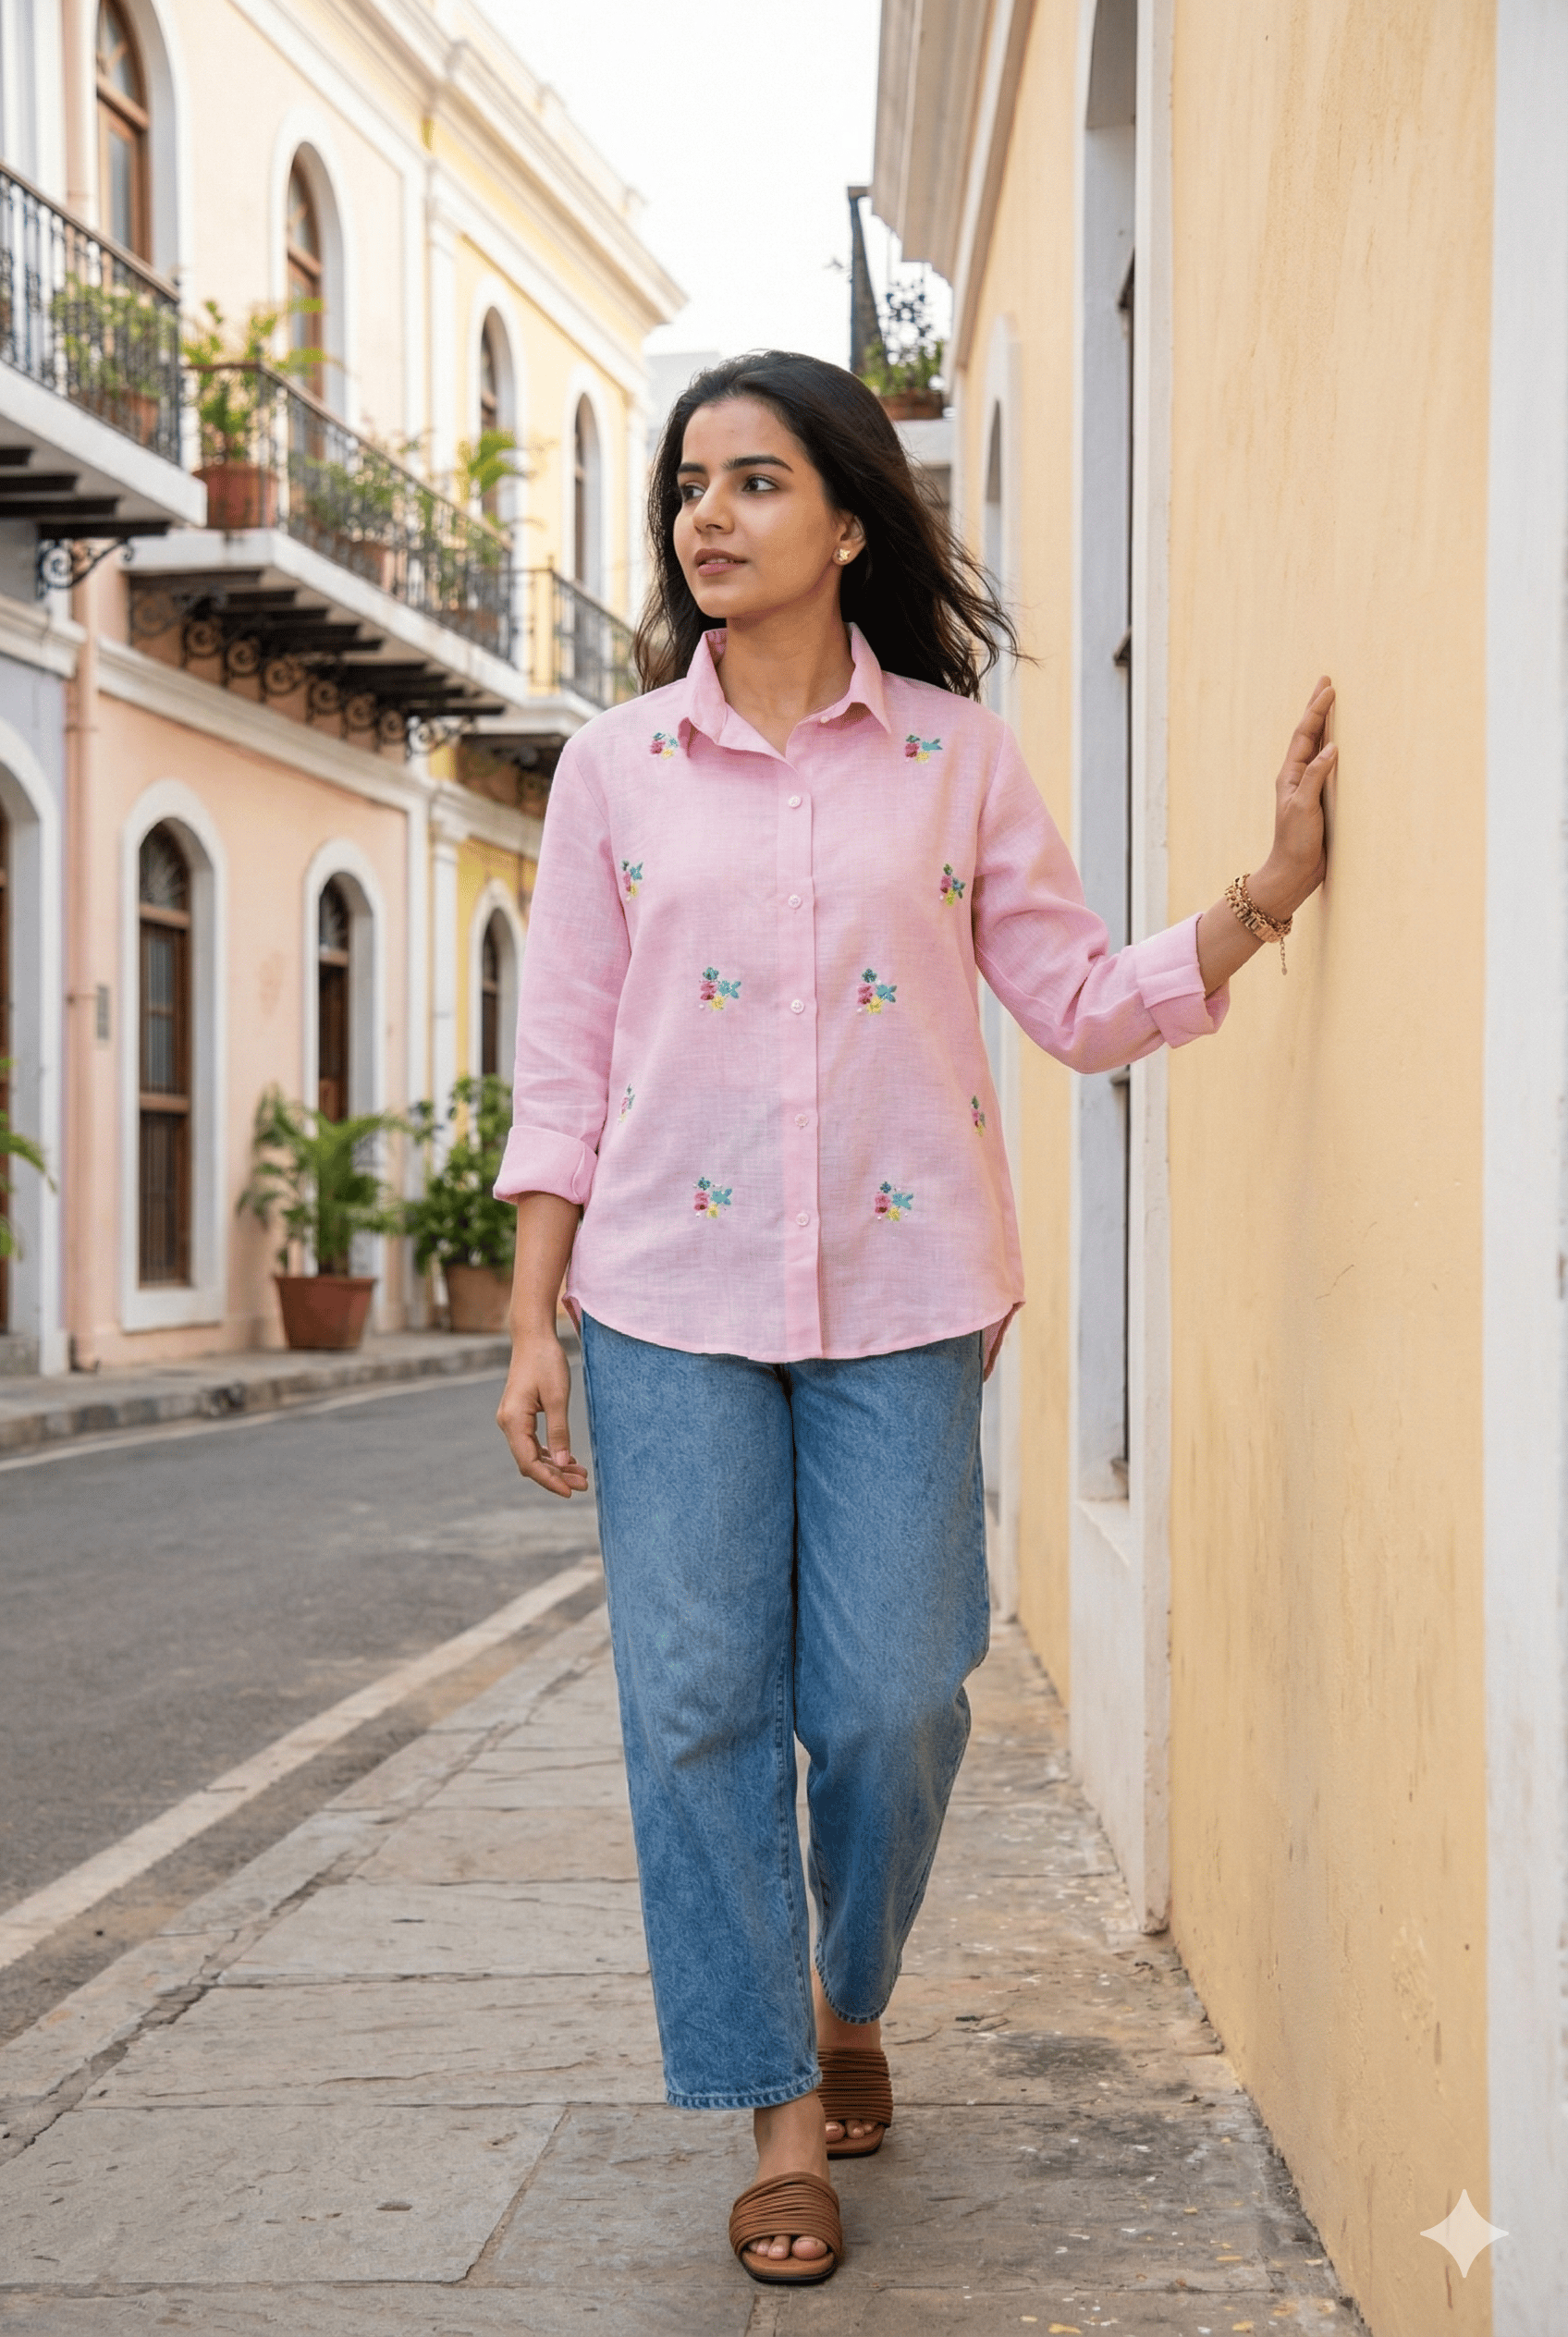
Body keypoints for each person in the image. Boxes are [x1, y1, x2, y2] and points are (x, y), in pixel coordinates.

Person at [494, 350, 1333, 2287]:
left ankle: (846, 1979)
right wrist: (535, 1316)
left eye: (756, 480)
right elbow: (561, 1064)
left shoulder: (954, 757)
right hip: (661, 1297)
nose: (708, 513)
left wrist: (1258, 898)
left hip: (900, 1287)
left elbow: (1065, 994)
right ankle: (777, 2101)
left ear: (850, 519)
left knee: (892, 1692)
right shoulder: (612, 769)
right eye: (688, 486)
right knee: (695, 1709)